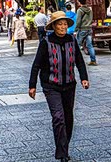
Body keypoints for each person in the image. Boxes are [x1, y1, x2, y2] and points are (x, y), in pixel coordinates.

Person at [29, 11, 89, 162]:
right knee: (58, 117)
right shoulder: (46, 42)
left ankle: (64, 147)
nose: (63, 27)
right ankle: (62, 153)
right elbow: (36, 65)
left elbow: (79, 61)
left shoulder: (72, 40)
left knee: (68, 118)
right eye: (60, 24)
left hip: (69, 85)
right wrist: (32, 85)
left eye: (65, 24)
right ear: (54, 26)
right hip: (51, 86)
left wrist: (84, 78)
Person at [74, 0, 97, 66]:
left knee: (77, 45)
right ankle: (93, 60)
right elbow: (91, 19)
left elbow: (78, 21)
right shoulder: (90, 10)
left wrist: (76, 30)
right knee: (90, 45)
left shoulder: (80, 10)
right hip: (89, 29)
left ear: (79, 2)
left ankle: (76, 61)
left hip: (82, 29)